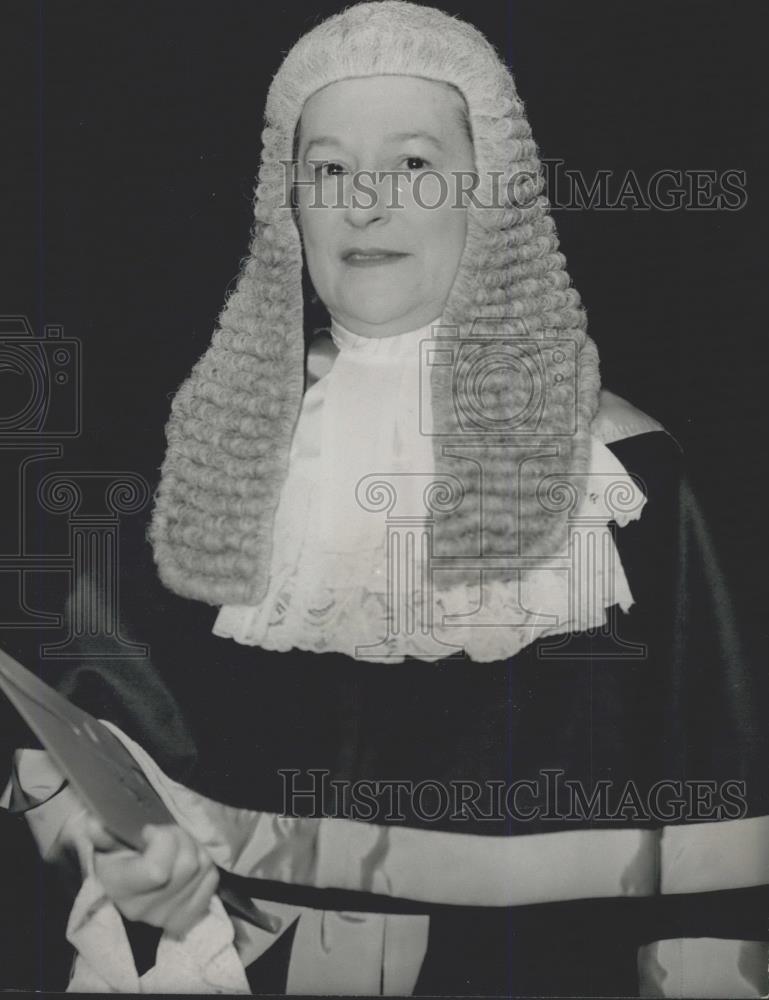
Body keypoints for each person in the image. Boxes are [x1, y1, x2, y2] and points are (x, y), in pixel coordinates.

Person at [1, 2, 767, 994]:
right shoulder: (206, 460)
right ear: (291, 208)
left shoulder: (628, 484)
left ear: (486, 195)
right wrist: (118, 858)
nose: (364, 202)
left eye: (411, 164)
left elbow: (715, 859)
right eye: (327, 170)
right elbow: (82, 743)